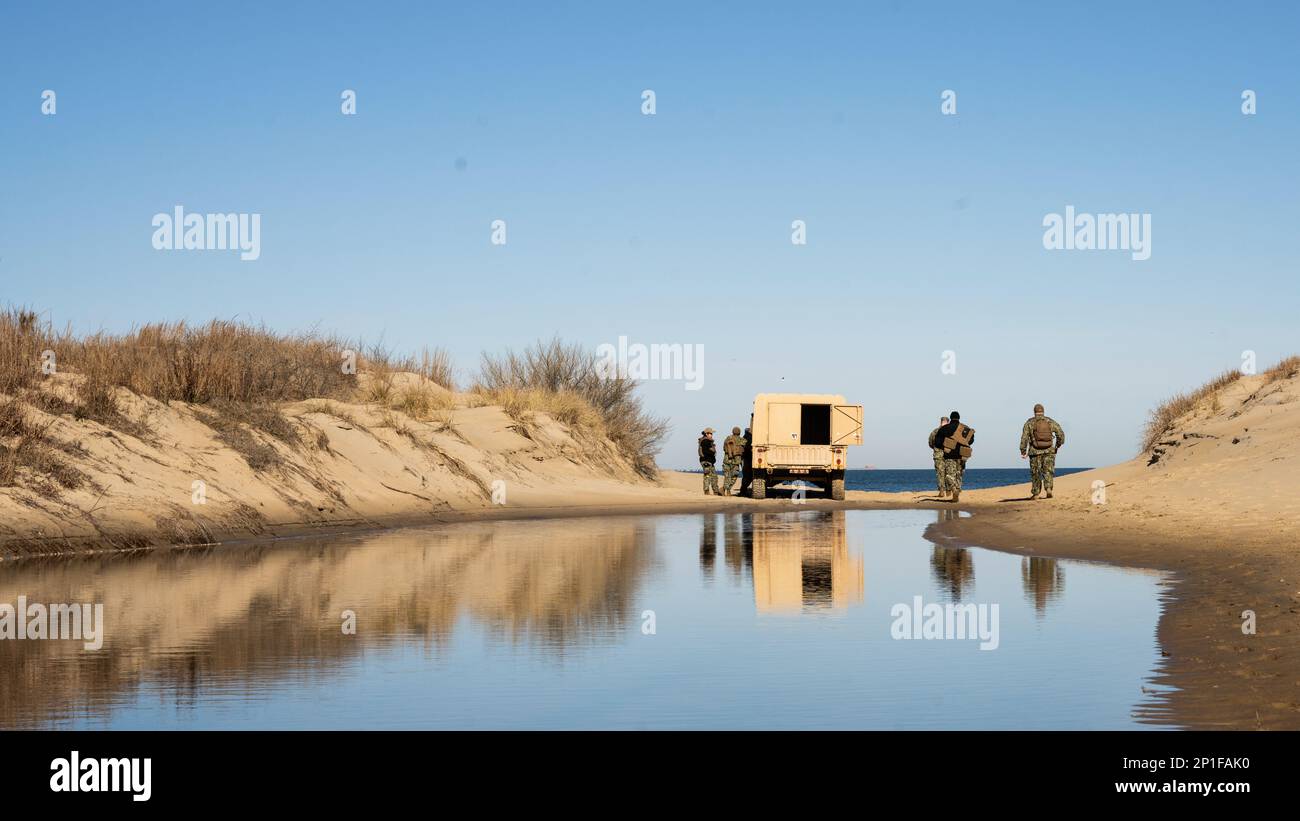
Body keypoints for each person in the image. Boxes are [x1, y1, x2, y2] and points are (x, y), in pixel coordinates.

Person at [1020, 403, 1065, 499]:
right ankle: (1048, 488)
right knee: (1048, 471)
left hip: (1034, 452)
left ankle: (1036, 493)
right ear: (1043, 411)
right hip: (1049, 451)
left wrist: (1023, 451)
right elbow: (1060, 434)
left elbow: (1024, 438)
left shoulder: (1029, 422)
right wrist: (1057, 445)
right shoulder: (1050, 421)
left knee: (1036, 473)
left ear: (1034, 412)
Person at [933, 411, 974, 502]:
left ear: (950, 418)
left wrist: (944, 447)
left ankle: (954, 490)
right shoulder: (965, 428)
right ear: (959, 418)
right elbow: (971, 441)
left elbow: (937, 443)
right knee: (959, 475)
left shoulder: (944, 429)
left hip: (949, 455)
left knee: (949, 475)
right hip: (962, 455)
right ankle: (957, 491)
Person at [927, 416, 949, 497]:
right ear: (948, 422)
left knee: (940, 473)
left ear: (941, 422)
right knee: (949, 472)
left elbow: (930, 443)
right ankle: (949, 490)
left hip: (938, 454)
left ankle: (942, 491)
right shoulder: (951, 431)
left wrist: (936, 449)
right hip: (949, 454)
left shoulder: (935, 431)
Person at [721, 426, 745, 496]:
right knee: (734, 476)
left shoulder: (728, 438)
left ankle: (724, 489)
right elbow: (745, 449)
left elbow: (724, 448)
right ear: (739, 433)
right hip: (736, 461)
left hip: (727, 460)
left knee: (727, 476)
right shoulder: (742, 440)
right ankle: (727, 490)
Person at [698, 428, 720, 495]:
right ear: (707, 434)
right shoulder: (705, 441)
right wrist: (712, 452)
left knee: (712, 476)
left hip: (708, 461)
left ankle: (714, 491)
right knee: (709, 476)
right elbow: (706, 451)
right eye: (710, 433)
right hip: (707, 461)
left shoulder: (705, 441)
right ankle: (708, 491)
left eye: (711, 434)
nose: (711, 435)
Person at [739, 426, 754, 497]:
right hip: (749, 459)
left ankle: (743, 491)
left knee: (746, 476)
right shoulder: (750, 438)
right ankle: (743, 491)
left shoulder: (744, 438)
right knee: (748, 476)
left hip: (746, 459)